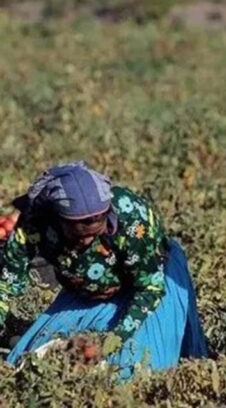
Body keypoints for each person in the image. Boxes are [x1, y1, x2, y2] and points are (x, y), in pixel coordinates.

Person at [0, 162, 207, 378]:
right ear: (59, 219)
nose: (88, 240)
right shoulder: (36, 224)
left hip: (148, 287)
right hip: (86, 291)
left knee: (135, 370)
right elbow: (8, 282)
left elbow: (150, 289)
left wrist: (111, 343)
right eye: (79, 234)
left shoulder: (131, 219)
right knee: (29, 362)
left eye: (95, 232)